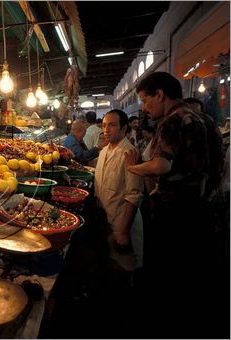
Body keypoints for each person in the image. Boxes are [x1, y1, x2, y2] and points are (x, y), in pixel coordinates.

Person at [124, 71, 225, 338]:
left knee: (169, 279)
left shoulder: (171, 121)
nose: (144, 108)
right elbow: (218, 167)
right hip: (205, 211)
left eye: (146, 100)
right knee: (196, 278)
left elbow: (161, 164)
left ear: (160, 94)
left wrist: (133, 167)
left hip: (175, 213)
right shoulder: (207, 120)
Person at [95, 109, 144, 273]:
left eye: (112, 125)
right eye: (104, 125)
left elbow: (134, 195)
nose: (106, 129)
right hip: (105, 222)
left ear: (124, 128)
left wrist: (123, 231)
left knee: (124, 269)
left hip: (121, 224)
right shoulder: (103, 152)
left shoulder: (130, 153)